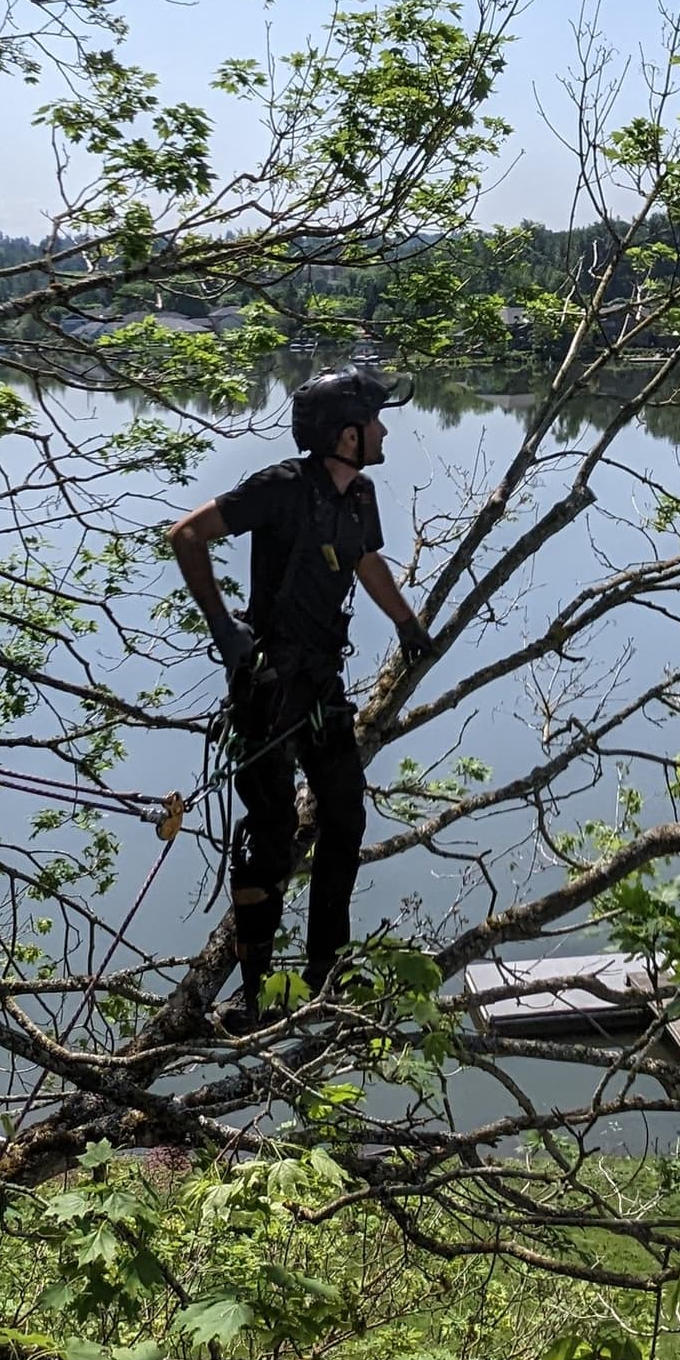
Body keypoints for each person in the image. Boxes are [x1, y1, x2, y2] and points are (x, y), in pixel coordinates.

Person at [169, 370, 425, 1016]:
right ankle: (256, 996)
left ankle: (322, 976)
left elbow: (367, 561)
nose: (385, 428)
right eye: (376, 419)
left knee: (344, 822)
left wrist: (408, 625)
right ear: (347, 434)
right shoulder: (279, 488)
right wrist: (225, 630)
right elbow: (187, 534)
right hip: (269, 688)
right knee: (272, 838)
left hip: (322, 685)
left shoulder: (359, 496)